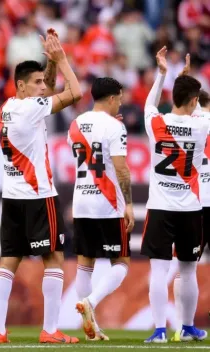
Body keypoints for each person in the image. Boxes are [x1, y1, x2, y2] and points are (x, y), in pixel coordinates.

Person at [0, 31, 82, 344]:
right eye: (37, 82)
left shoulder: (8, 106)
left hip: (11, 196)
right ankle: (50, 330)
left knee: (8, 263)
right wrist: (62, 59)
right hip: (38, 195)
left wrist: (48, 65)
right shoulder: (31, 109)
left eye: (43, 82)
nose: (43, 87)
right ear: (21, 86)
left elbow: (52, 90)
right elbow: (75, 92)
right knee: (54, 259)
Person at [141, 47, 209, 343]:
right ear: (194, 100)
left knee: (159, 270)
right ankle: (188, 326)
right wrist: (187, 83)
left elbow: (150, 102)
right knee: (188, 270)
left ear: (173, 98)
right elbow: (200, 109)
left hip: (160, 207)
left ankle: (159, 330)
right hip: (191, 209)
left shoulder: (156, 122)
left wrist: (163, 74)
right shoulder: (203, 124)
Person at [68, 77, 134, 341]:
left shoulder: (75, 124)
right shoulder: (115, 126)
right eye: (119, 97)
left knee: (85, 262)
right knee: (122, 262)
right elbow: (120, 168)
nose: (121, 101)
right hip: (108, 203)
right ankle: (91, 302)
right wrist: (128, 203)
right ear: (110, 98)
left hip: (81, 199)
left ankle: (89, 325)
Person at [173, 88, 210, 342]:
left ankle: (183, 326)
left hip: (196, 203)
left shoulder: (186, 123)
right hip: (198, 201)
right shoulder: (200, 122)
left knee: (185, 267)